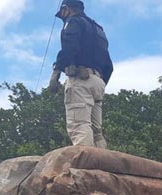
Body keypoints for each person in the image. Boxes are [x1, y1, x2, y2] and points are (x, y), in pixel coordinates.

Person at [48, 0, 113, 148]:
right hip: (98, 81)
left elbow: (69, 47)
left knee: (79, 125)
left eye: (63, 13)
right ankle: (102, 166)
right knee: (97, 132)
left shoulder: (73, 22)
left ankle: (85, 169)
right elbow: (109, 65)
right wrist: (99, 82)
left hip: (80, 79)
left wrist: (57, 72)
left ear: (67, 9)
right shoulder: (98, 30)